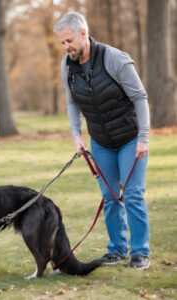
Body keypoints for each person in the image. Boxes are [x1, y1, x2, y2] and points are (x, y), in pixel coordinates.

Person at [54, 12, 150, 269]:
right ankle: (117, 249)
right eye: (62, 43)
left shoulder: (115, 59)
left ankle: (140, 252)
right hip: (100, 142)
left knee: (132, 195)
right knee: (109, 197)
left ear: (84, 33)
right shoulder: (67, 66)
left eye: (69, 40)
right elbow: (72, 102)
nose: (66, 47)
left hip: (130, 138)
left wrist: (144, 138)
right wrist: (77, 136)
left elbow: (140, 97)